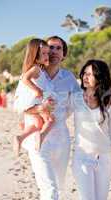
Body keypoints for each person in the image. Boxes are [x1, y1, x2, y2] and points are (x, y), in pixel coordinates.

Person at [21, 36, 80, 200]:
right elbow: (19, 106)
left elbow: (78, 105)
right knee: (49, 189)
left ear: (64, 55)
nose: (53, 51)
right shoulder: (33, 75)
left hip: (62, 140)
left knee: (59, 187)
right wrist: (40, 109)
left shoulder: (69, 78)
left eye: (58, 48)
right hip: (37, 139)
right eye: (50, 48)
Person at [70, 59, 111, 200]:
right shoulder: (75, 98)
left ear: (100, 77)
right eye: (84, 73)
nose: (85, 77)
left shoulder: (110, 99)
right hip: (82, 158)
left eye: (90, 74)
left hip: (104, 159)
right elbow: (57, 117)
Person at [13, 38, 55, 156]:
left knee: (37, 124)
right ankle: (41, 136)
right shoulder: (36, 68)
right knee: (51, 120)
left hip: (34, 102)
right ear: (35, 55)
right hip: (36, 102)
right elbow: (25, 79)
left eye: (47, 53)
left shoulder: (39, 69)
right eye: (44, 53)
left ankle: (20, 138)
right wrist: (36, 90)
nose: (47, 55)